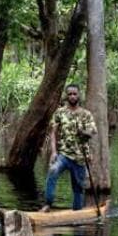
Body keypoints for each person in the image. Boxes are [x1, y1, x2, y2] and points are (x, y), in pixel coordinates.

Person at [41, 83, 97, 211]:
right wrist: (54, 152)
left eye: (74, 94)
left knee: (78, 187)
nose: (72, 96)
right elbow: (53, 132)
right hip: (64, 155)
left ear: (78, 95)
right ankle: (48, 204)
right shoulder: (60, 112)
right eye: (70, 94)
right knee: (53, 171)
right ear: (66, 96)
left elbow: (93, 131)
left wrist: (82, 132)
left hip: (80, 157)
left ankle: (77, 213)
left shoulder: (85, 114)